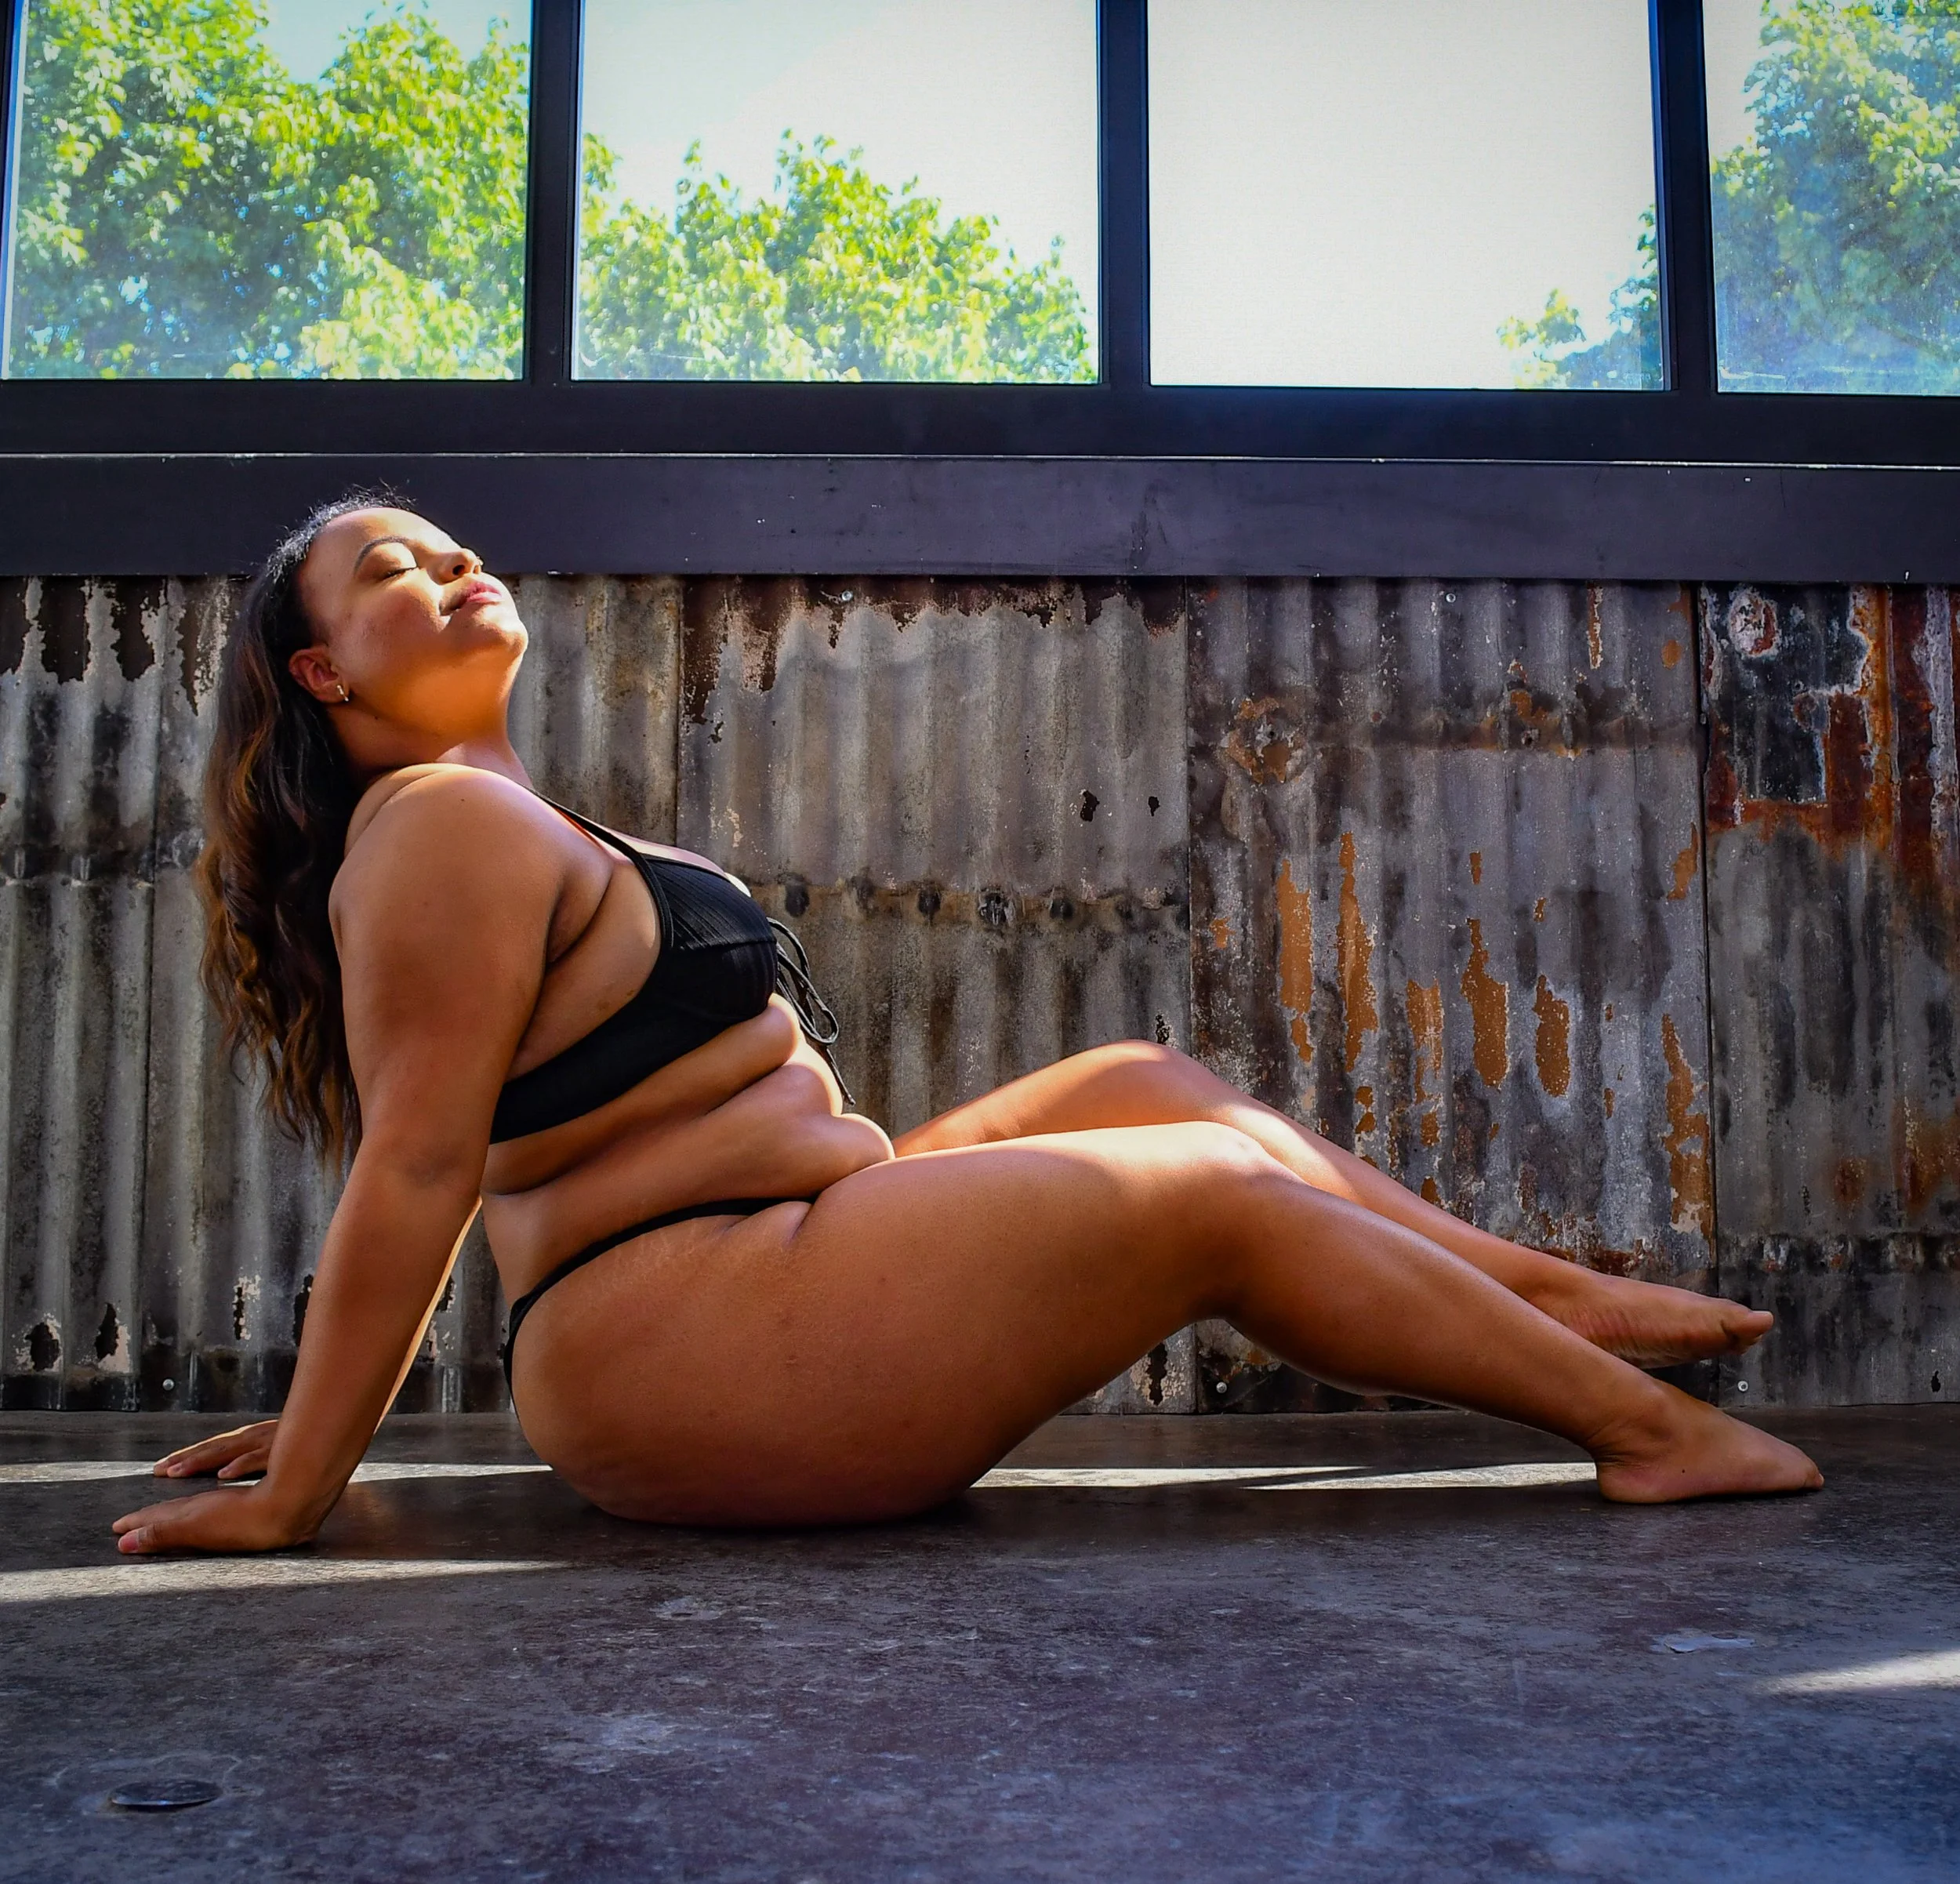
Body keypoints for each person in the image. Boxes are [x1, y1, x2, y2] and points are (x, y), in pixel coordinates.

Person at [112, 500, 1821, 1555]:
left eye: (451, 545)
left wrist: (326, 1407)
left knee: (1144, 1081)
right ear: (323, 674)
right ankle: (1646, 1431)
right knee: (1212, 1191)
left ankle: (1548, 1298)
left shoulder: (505, 818)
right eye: (391, 570)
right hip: (688, 1331)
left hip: (779, 1250)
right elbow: (420, 1163)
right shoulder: (432, 824)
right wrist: (306, 1476)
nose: (453, 565)